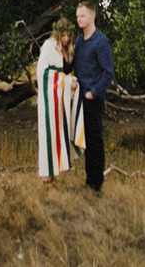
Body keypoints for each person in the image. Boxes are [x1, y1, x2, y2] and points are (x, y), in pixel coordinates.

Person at [73, 1, 115, 194]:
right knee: (85, 141)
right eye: (77, 16)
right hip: (79, 98)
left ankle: (96, 185)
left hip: (92, 99)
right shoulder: (80, 42)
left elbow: (108, 73)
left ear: (92, 16)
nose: (79, 19)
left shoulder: (101, 42)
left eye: (82, 15)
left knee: (95, 141)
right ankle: (88, 181)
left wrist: (93, 92)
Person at [35, 18, 84, 181]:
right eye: (63, 36)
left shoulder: (69, 49)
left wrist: (72, 81)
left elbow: (69, 70)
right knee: (49, 135)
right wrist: (65, 80)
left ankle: (55, 173)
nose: (66, 39)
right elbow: (42, 73)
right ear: (57, 34)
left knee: (61, 134)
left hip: (63, 99)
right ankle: (47, 178)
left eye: (68, 36)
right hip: (50, 100)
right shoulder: (49, 47)